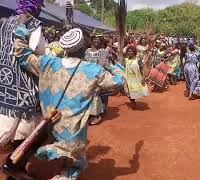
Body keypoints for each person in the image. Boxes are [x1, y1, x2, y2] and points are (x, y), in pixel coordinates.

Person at [14, 27, 124, 180]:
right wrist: (115, 66)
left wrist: (20, 31)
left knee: (47, 145)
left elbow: (23, 55)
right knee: (76, 160)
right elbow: (118, 82)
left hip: (49, 121)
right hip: (72, 128)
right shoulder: (94, 70)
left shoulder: (48, 62)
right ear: (83, 47)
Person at [0, 1, 45, 179]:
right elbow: (35, 52)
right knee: (32, 131)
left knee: (7, 129)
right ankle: (14, 166)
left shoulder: (5, 22)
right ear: (35, 6)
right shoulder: (33, 24)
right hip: (25, 87)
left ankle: (15, 167)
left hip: (4, 83)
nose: (41, 10)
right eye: (40, 6)